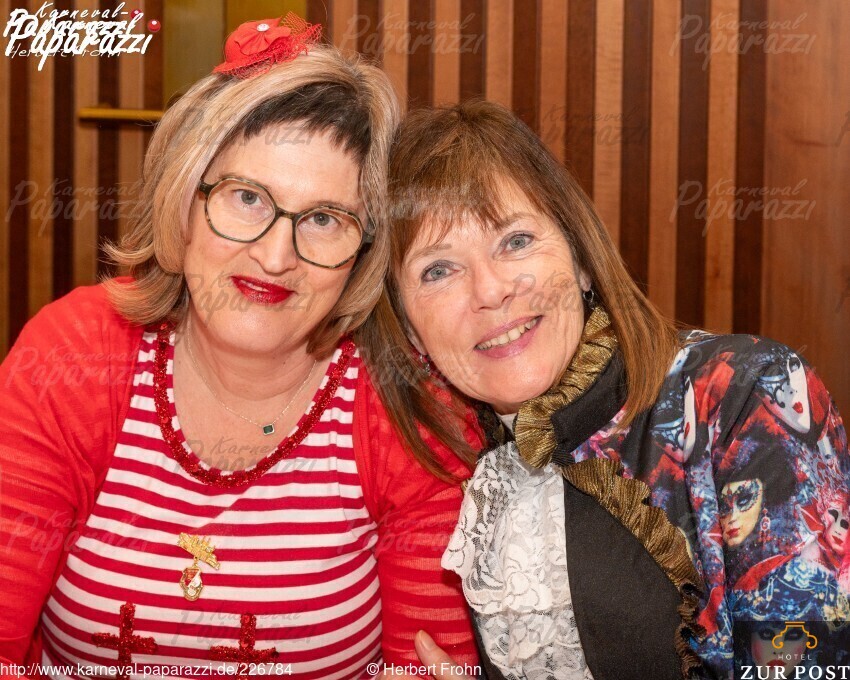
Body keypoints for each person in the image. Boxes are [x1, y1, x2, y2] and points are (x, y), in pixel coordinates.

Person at [0, 15, 480, 679]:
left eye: (324, 218)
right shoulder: (74, 352)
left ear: (364, 248)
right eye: (247, 197)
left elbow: (429, 667)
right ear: (183, 200)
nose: (277, 256)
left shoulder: (407, 398)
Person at [360, 100, 850, 679]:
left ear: (581, 260)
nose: (489, 291)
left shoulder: (744, 395)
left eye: (515, 240)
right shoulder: (467, 471)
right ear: (410, 329)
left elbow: (804, 666)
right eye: (438, 270)